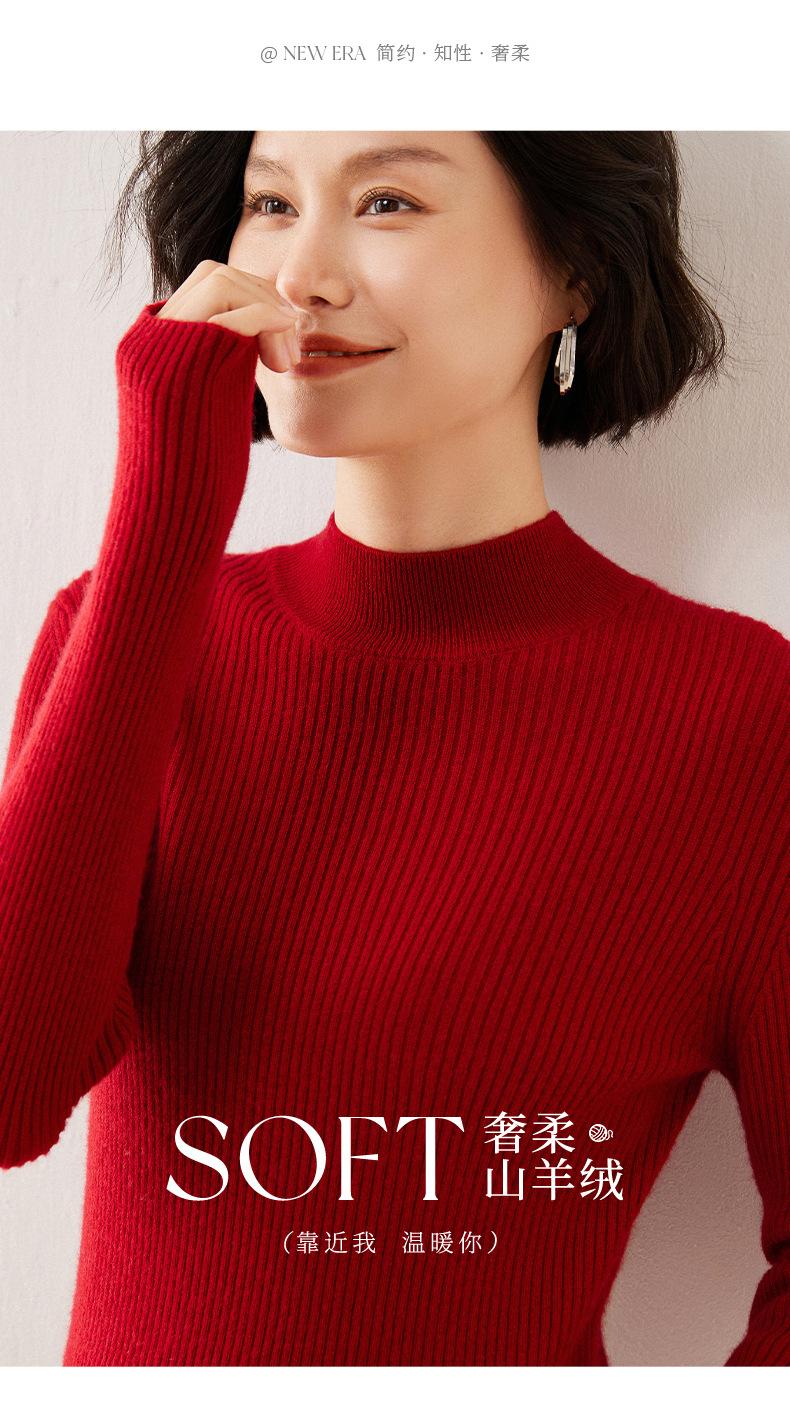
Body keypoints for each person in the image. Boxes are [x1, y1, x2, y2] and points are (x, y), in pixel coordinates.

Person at [0, 131, 787, 1368]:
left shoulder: (738, 716)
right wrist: (160, 514)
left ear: (574, 270)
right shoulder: (118, 636)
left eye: (386, 200)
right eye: (268, 202)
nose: (300, 275)